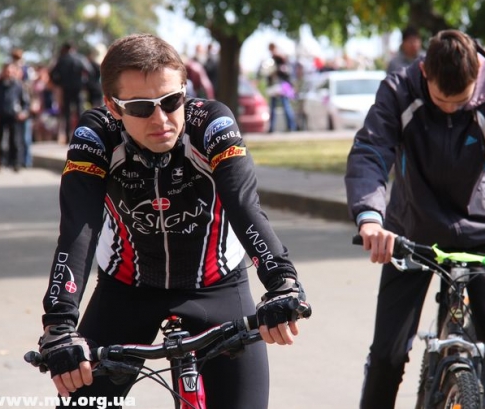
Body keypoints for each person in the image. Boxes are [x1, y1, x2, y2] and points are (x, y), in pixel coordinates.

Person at [35, 33, 311, 409]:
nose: (161, 119)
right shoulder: (96, 135)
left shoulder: (211, 124)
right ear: (112, 106)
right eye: (140, 107)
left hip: (215, 286)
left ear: (185, 91)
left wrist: (283, 282)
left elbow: (244, 206)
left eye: (171, 101)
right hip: (126, 290)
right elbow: (78, 229)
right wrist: (59, 325)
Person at [345, 29, 485, 409]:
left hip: (479, 231)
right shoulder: (398, 90)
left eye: (461, 101)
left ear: (476, 77)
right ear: (424, 72)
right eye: (439, 100)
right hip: (410, 231)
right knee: (387, 355)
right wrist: (370, 219)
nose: (450, 109)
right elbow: (371, 151)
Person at [0, 62, 29, 172]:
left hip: (14, 116)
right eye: (6, 71)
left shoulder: (18, 85)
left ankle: (16, 162)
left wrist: (23, 112)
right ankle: (1, 162)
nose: (8, 73)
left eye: (10, 71)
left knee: (15, 140)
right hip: (1, 115)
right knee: (0, 139)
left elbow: (25, 102)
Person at [50, 42, 92, 143]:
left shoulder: (62, 59)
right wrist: (84, 82)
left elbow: (52, 73)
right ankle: (81, 136)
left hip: (66, 89)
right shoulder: (80, 58)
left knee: (67, 113)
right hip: (78, 88)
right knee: (79, 111)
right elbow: (89, 71)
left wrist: (59, 82)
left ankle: (68, 137)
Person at [263, 42, 297, 132]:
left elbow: (285, 71)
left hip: (282, 85)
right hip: (274, 85)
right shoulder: (271, 60)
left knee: (286, 105)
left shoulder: (281, 58)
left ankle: (291, 127)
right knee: (273, 107)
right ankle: (271, 128)